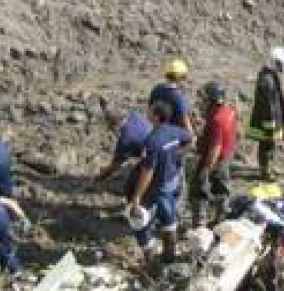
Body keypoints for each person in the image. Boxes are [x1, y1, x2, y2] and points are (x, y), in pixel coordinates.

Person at [128, 101, 191, 261]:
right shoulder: (175, 131)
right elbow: (191, 138)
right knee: (169, 216)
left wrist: (136, 198)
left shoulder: (153, 140)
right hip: (172, 180)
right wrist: (177, 154)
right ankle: (169, 255)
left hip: (158, 185)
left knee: (138, 221)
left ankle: (151, 259)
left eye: (149, 112)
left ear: (156, 116)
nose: (147, 114)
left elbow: (147, 172)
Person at [190, 81, 238, 226]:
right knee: (221, 188)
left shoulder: (216, 120)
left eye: (205, 98)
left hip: (214, 159)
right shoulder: (229, 112)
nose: (202, 101)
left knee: (199, 189)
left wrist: (206, 169)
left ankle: (199, 223)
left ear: (212, 100)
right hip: (226, 156)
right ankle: (221, 218)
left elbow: (215, 148)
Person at [92, 107, 152, 206]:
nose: (111, 131)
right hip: (159, 143)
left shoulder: (125, 139)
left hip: (153, 158)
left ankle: (136, 205)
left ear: (117, 125)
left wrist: (99, 177)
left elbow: (115, 166)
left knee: (131, 187)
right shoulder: (134, 114)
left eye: (111, 127)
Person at [249, 47, 284, 180]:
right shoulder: (267, 80)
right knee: (266, 146)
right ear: (276, 62)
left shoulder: (270, 76)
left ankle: (269, 167)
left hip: (271, 120)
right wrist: (270, 126)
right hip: (268, 121)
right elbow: (267, 107)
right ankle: (265, 172)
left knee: (270, 145)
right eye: (282, 64)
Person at [149, 58, 197, 133]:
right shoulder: (178, 97)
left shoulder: (156, 89)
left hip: (156, 132)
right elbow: (187, 126)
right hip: (173, 136)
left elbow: (149, 113)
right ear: (181, 78)